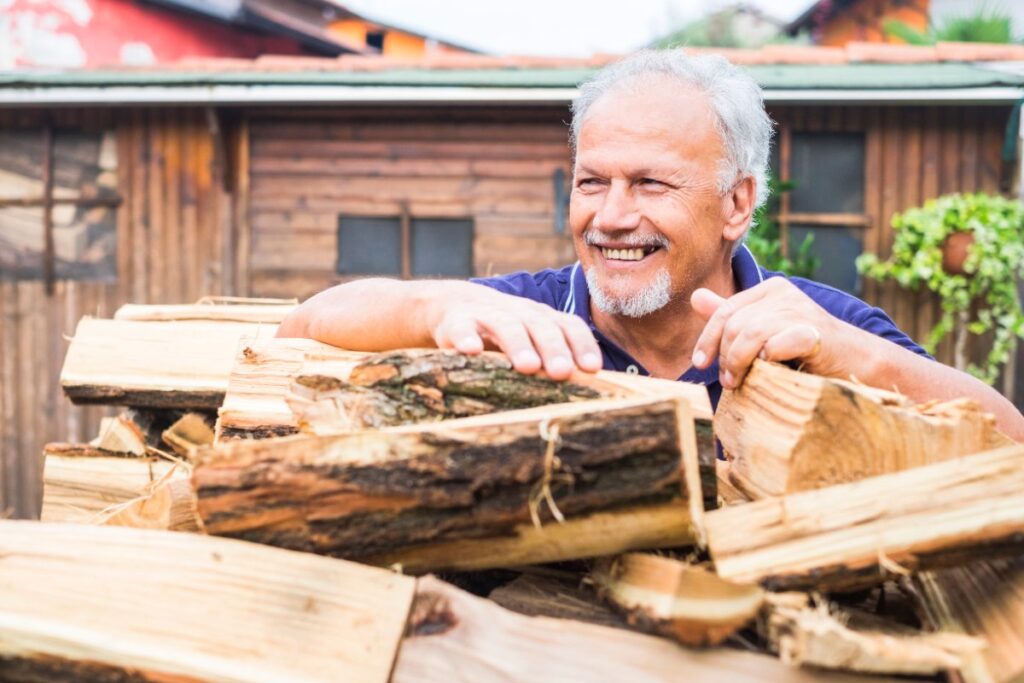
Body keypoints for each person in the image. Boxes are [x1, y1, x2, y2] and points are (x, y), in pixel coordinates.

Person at [278, 50, 1024, 439]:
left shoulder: (818, 331)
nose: (610, 215)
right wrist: (433, 302)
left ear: (737, 203)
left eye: (650, 184)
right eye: (591, 181)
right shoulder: (529, 324)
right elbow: (300, 328)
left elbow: (1010, 441)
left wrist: (852, 355)